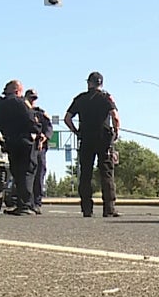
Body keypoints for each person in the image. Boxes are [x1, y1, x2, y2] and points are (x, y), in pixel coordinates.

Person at [64, 71, 121, 218]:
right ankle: (109, 209)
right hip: (103, 138)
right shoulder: (106, 97)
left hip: (86, 138)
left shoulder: (80, 98)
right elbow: (115, 116)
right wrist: (116, 131)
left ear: (89, 83)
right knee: (106, 173)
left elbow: (67, 118)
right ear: (101, 84)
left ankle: (86, 209)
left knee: (85, 174)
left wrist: (76, 132)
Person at [0, 80, 38, 216]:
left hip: (9, 142)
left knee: (17, 173)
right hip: (25, 142)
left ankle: (21, 204)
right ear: (18, 91)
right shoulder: (22, 104)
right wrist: (37, 132)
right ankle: (25, 205)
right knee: (27, 172)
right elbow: (32, 122)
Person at [26, 89, 53, 215]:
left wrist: (45, 136)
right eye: (30, 98)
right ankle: (26, 201)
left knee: (39, 173)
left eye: (34, 98)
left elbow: (48, 127)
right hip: (26, 147)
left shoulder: (40, 113)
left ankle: (36, 202)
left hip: (39, 147)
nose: (32, 101)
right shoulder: (23, 112)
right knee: (26, 174)